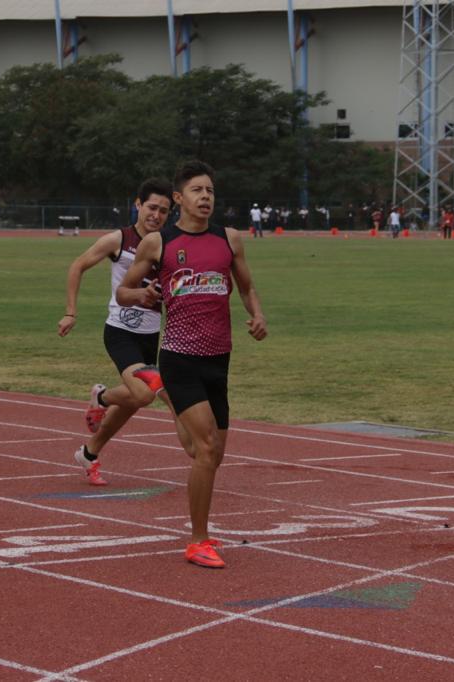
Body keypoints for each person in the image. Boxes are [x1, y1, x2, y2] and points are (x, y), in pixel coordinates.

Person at [117, 160, 267, 569]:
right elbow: (124, 291)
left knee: (209, 454)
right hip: (180, 356)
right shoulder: (158, 243)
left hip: (219, 359)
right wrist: (143, 297)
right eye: (198, 191)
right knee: (205, 448)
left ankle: (163, 395)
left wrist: (257, 314)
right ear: (180, 199)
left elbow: (247, 286)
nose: (206, 198)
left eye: (211, 191)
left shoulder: (229, 239)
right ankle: (198, 540)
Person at [58, 178, 191, 486]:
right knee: (145, 393)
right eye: (151, 208)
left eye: (163, 211)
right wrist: (70, 312)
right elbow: (77, 266)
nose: (156, 215)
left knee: (134, 401)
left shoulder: (168, 244)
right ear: (137, 205)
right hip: (120, 331)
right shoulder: (119, 239)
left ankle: (90, 452)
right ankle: (103, 398)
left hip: (151, 335)